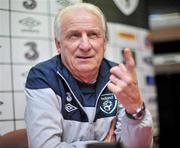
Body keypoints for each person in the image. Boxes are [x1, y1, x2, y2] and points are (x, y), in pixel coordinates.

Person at [24, 2, 153, 148]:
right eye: (74, 36)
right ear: (58, 45)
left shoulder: (118, 76)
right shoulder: (43, 77)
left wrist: (136, 110)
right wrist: (104, 146)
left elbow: (139, 146)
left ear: (104, 43)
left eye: (93, 35)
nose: (85, 46)